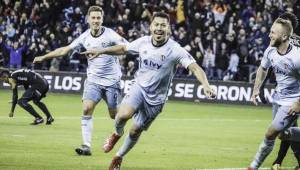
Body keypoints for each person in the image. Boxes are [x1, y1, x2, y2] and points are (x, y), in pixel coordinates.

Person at [81, 12, 216, 170]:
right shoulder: (143, 42)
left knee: (135, 130)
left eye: (163, 25)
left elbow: (195, 67)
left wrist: (205, 85)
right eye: (156, 25)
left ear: (169, 29)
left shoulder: (175, 49)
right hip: (138, 88)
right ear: (151, 27)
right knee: (122, 116)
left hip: (156, 99)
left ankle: (118, 157)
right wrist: (101, 51)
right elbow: (124, 48)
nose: (159, 28)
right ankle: (116, 134)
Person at [33, 6, 128, 156]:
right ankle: (86, 146)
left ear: (102, 19)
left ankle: (118, 134)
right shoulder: (84, 37)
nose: (96, 20)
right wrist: (45, 57)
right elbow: (64, 50)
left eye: (98, 18)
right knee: (86, 109)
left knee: (114, 115)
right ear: (88, 19)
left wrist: (102, 51)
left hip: (112, 82)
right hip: (93, 81)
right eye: (93, 18)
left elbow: (125, 48)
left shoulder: (110, 35)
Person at [248, 18, 300, 170]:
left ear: (284, 37)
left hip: (292, 102)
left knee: (270, 132)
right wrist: (256, 88)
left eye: (273, 32)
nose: (269, 35)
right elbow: (263, 68)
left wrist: (298, 103)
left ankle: (253, 166)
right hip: (278, 99)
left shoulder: (297, 57)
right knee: (282, 135)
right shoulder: (270, 51)